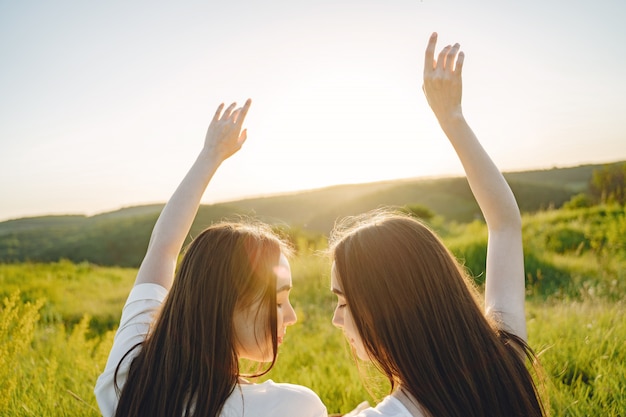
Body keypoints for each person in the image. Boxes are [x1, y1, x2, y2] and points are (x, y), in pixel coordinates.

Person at [328, 33, 546, 417]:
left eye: (344, 301)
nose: (336, 318)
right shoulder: (503, 362)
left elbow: (505, 226)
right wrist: (452, 118)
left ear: (386, 306)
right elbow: (505, 225)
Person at [94, 100, 328, 417]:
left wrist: (210, 155)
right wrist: (211, 155)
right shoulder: (291, 407)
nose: (291, 316)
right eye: (277, 301)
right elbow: (163, 249)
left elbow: (162, 250)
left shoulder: (128, 379)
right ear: (224, 302)